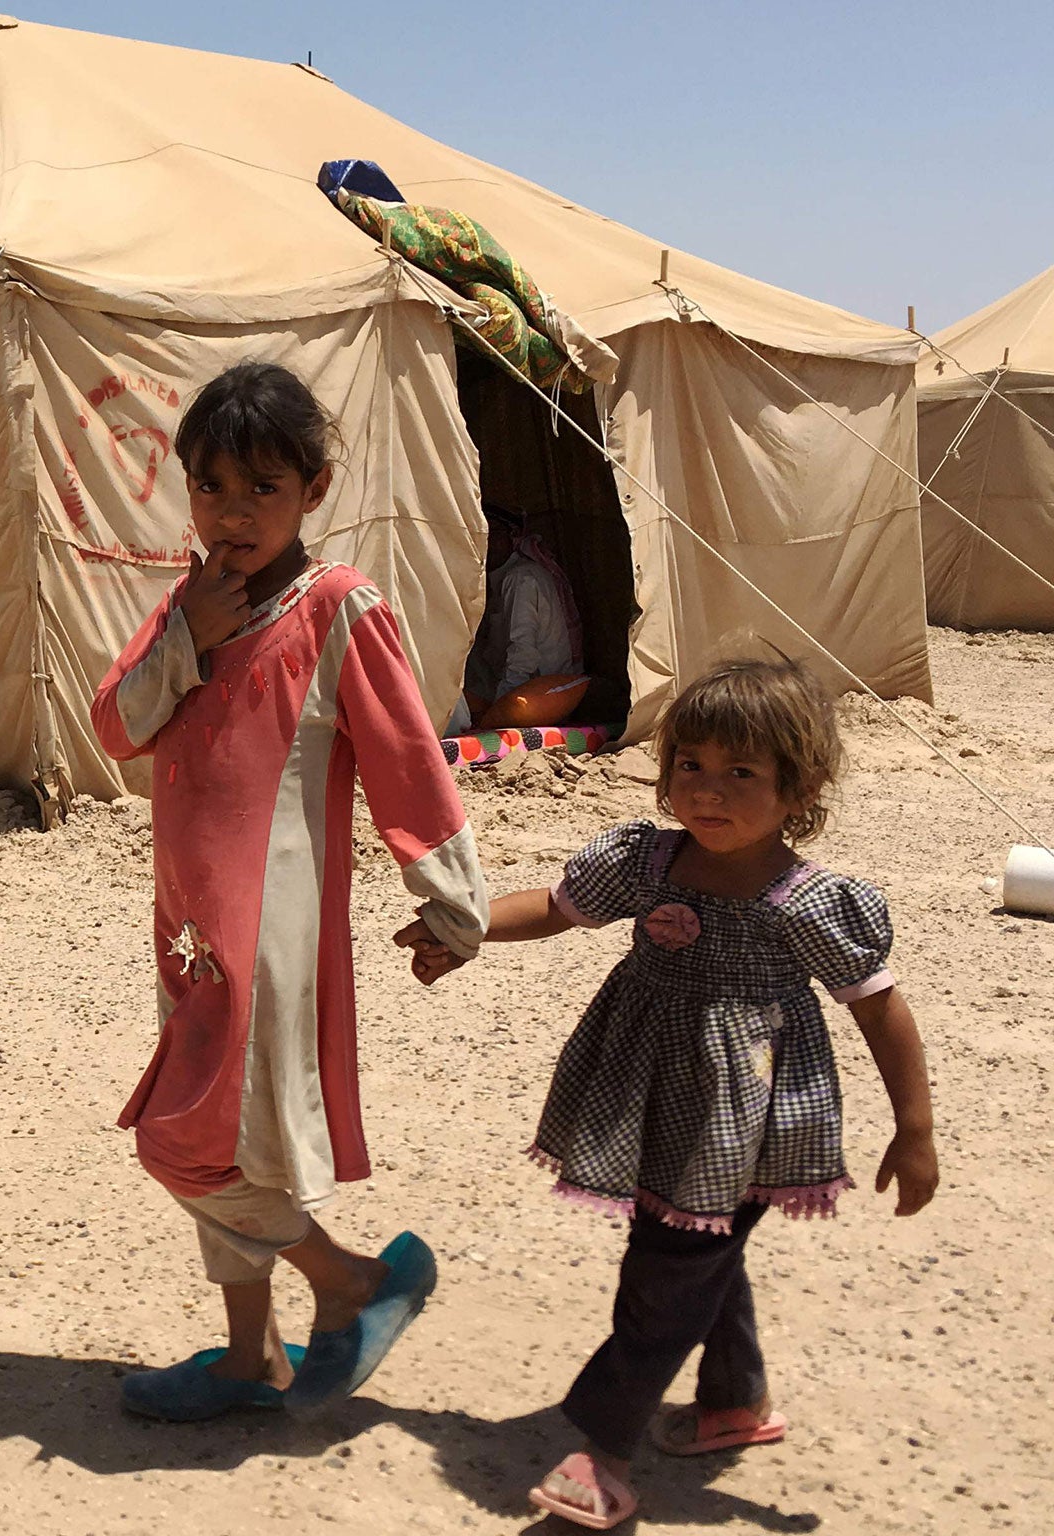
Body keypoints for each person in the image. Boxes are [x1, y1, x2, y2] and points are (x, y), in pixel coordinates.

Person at [400, 656, 939, 1529]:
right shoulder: (646, 863)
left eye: (741, 773)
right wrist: (458, 928)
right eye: (690, 765)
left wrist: (913, 1131)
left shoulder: (805, 902)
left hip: (747, 1122)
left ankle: (603, 1450)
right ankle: (733, 1404)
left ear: (800, 789)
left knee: (667, 1272)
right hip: (647, 1097)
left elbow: (882, 1013)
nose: (709, 792)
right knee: (699, 1249)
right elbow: (553, 909)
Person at [89, 361, 490, 1423]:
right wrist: (189, 638)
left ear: (312, 491)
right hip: (184, 928)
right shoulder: (191, 603)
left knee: (191, 1139)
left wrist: (454, 906)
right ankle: (242, 1359)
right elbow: (114, 728)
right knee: (227, 1136)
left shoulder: (339, 609)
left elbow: (410, 759)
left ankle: (354, 1283)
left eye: (262, 489)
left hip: (268, 931)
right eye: (212, 489)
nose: (233, 513)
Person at [453, 503, 580, 732]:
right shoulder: (500, 578)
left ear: (514, 538)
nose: (488, 542)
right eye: (483, 534)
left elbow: (523, 651)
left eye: (496, 534)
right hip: (506, 681)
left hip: (535, 684)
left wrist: (500, 709)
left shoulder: (522, 578)